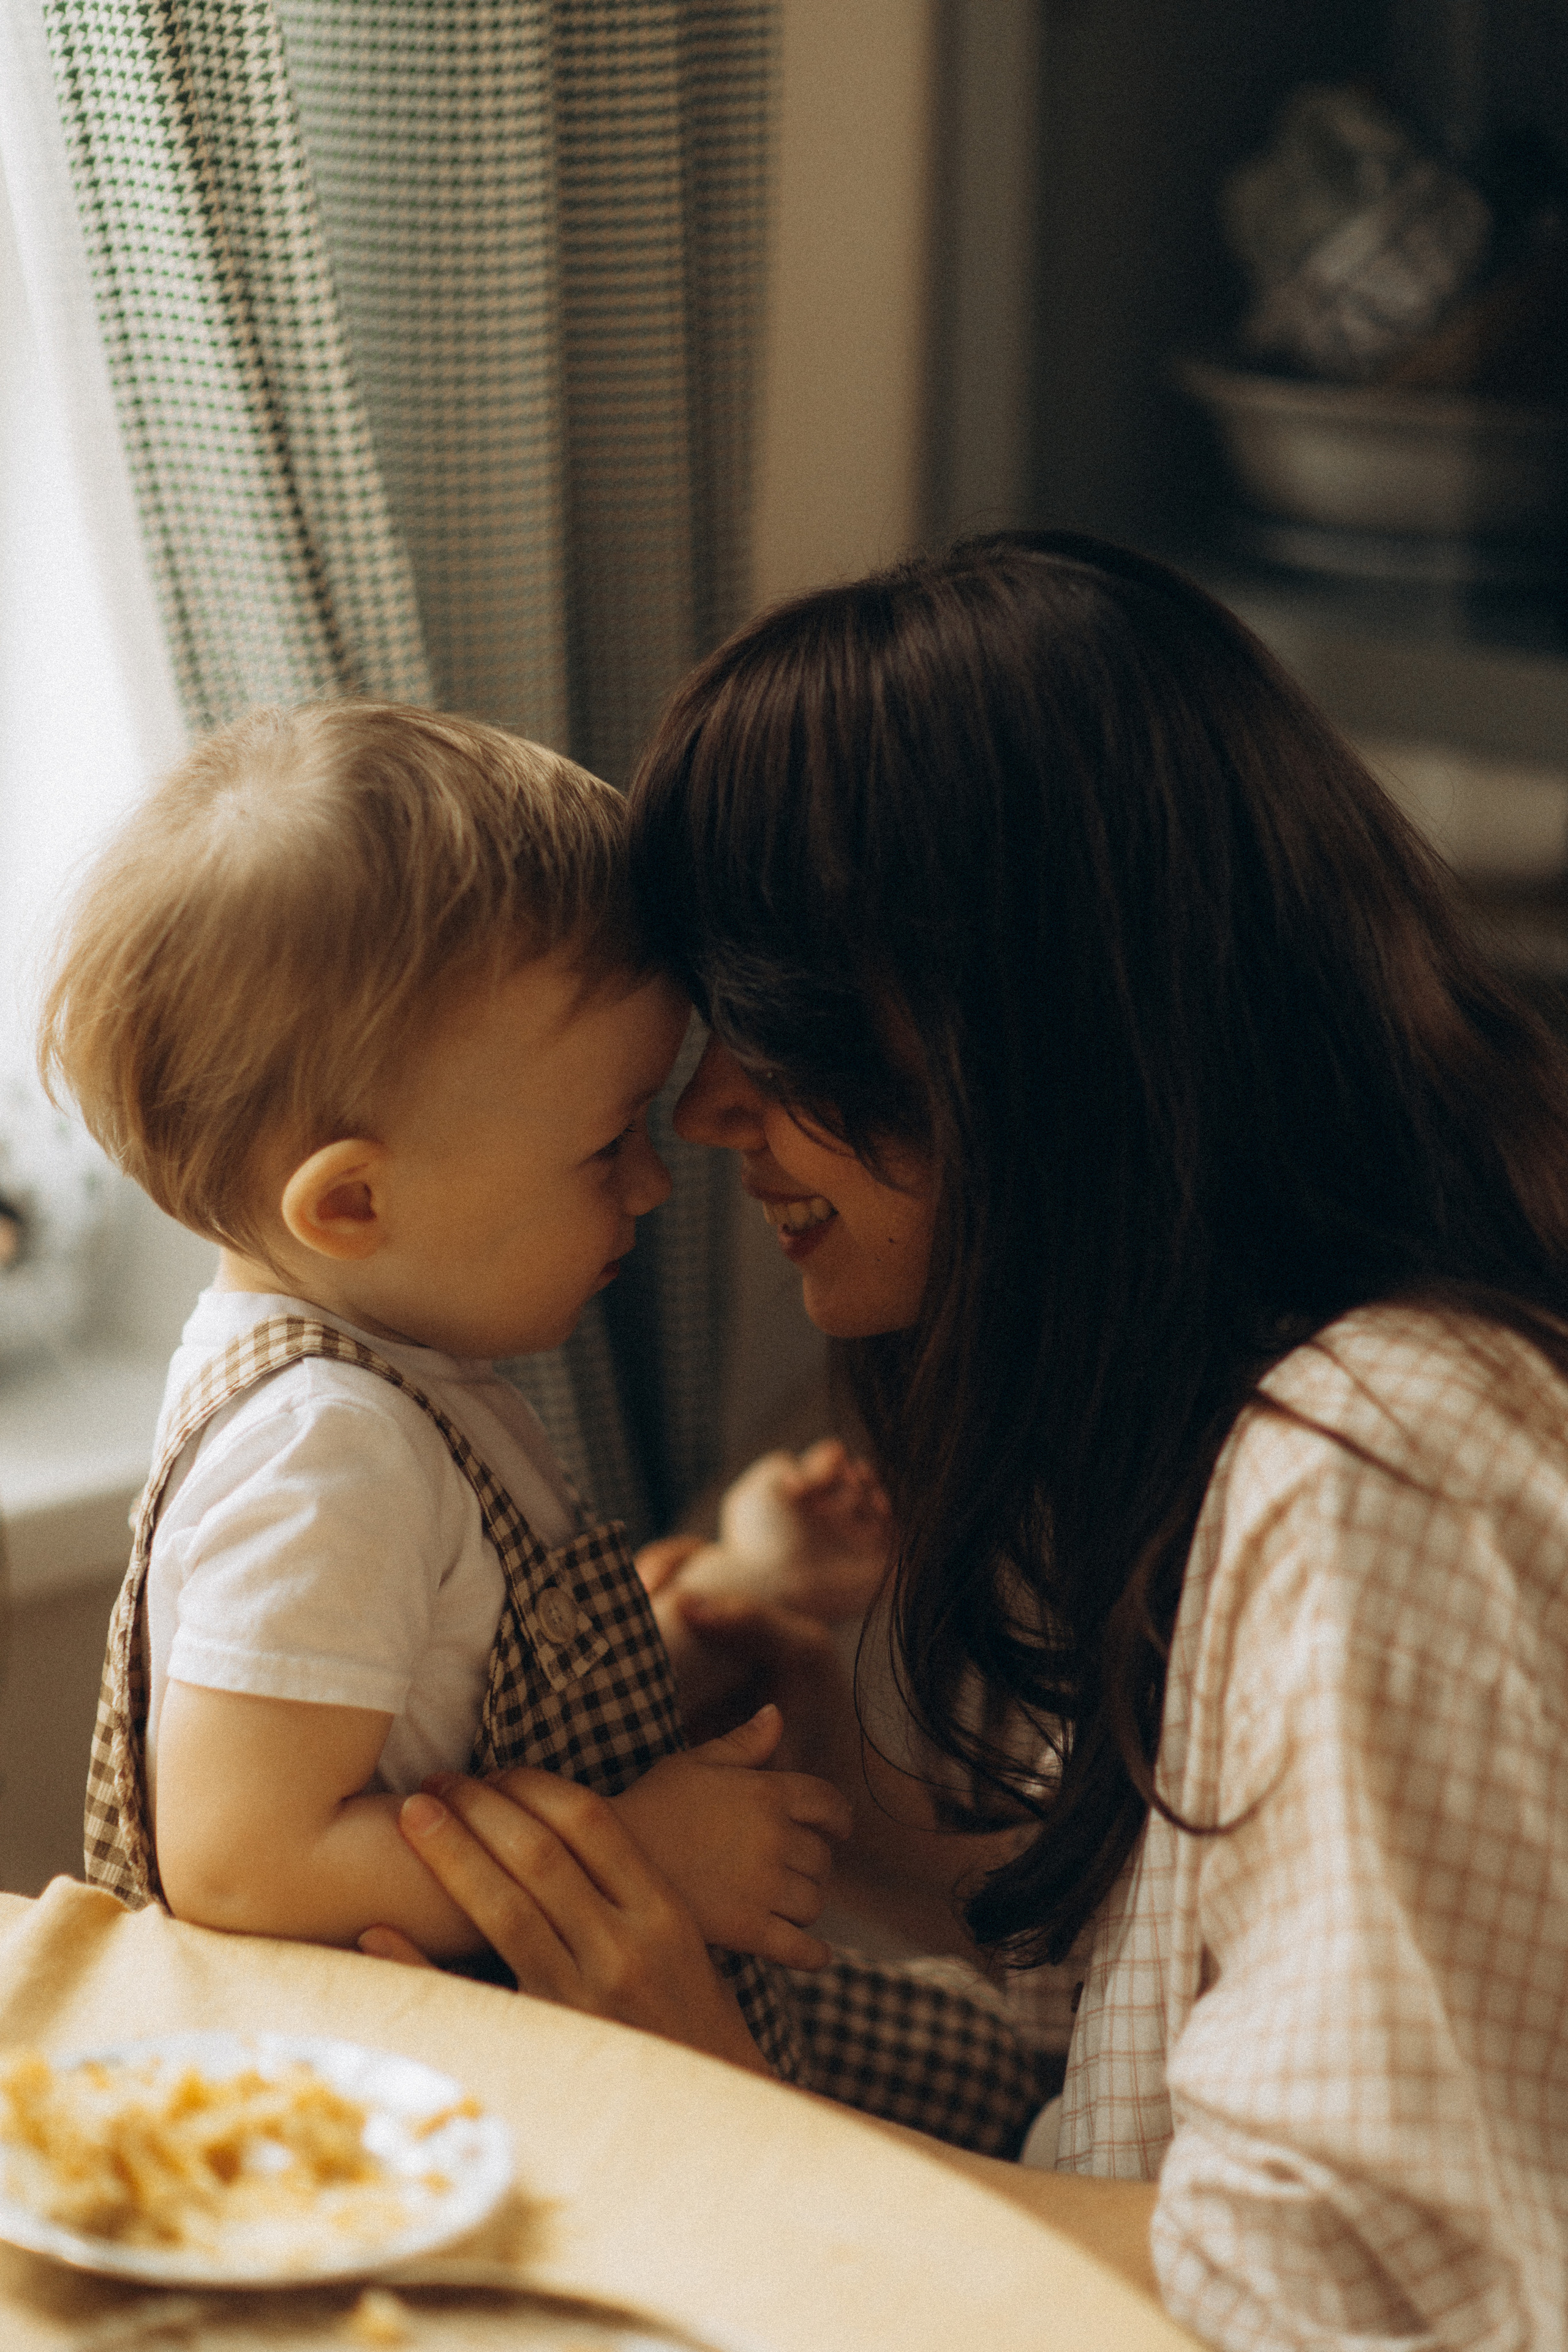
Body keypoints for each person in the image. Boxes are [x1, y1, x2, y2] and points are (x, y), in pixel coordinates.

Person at [373, 537, 1568, 2350]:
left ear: (1028, 1024)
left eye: (772, 1021)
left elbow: (1333, 2296)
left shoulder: (1378, 1462)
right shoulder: (1206, 1410)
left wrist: (718, 2103)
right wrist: (823, 1756)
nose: (706, 1110)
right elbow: (1154, 1980)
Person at [39, 701, 1052, 2140]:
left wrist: (727, 1613)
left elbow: (445, 1704)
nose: (652, 1178)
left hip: (512, 2014)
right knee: (973, 2121)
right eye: (605, 1141)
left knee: (987, 2071)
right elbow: (239, 1861)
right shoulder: (328, 1445)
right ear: (352, 1204)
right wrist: (636, 1853)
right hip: (411, 2089)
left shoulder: (388, 1383)